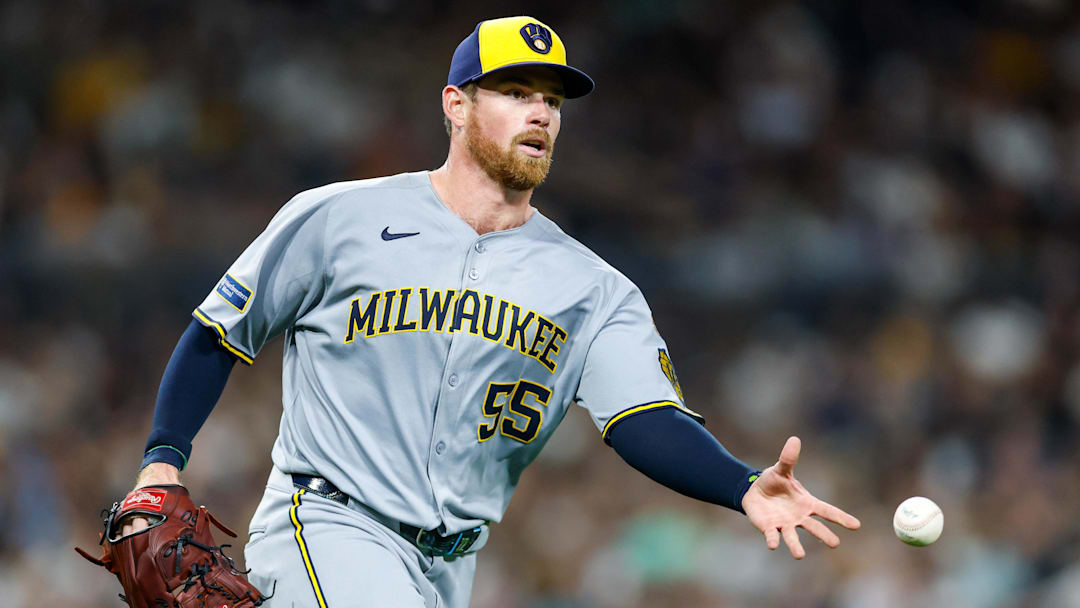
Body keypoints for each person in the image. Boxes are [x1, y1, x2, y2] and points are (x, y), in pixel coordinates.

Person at [122, 16, 860, 607]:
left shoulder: (592, 288)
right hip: (328, 526)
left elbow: (643, 420)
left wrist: (737, 485)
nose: (540, 111)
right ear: (457, 105)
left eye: (552, 99)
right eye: (515, 90)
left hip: (452, 569)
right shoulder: (338, 218)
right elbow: (219, 333)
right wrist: (163, 463)